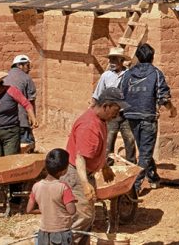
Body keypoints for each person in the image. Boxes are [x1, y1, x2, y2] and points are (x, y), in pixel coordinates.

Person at [63, 87, 122, 245]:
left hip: (84, 173)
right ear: (106, 106)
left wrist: (104, 167)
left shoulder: (100, 119)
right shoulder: (89, 126)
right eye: (116, 110)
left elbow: (97, 150)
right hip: (77, 174)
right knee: (81, 217)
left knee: (87, 217)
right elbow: (80, 158)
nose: (117, 114)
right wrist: (84, 183)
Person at [121, 43, 176, 192]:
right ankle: (135, 187)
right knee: (145, 153)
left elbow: (121, 94)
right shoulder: (156, 74)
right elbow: (163, 97)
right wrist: (172, 109)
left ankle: (153, 177)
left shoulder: (128, 74)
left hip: (131, 117)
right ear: (152, 57)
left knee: (145, 149)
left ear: (137, 57)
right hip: (148, 117)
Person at [93, 47, 136, 163]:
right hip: (110, 116)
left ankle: (131, 165)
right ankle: (107, 165)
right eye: (110, 60)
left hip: (126, 114)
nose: (111, 63)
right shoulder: (105, 76)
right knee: (108, 141)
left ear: (121, 61)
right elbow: (97, 95)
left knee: (130, 139)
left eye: (114, 60)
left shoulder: (129, 75)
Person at [27, 148, 76, 245]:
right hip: (61, 233)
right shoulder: (63, 187)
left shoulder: (36, 186)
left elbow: (29, 210)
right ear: (62, 171)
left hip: (44, 233)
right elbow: (72, 211)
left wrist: (45, 210)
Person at [4, 54, 37, 148]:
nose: (29, 69)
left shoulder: (5, 77)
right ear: (19, 65)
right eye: (27, 66)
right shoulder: (26, 78)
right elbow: (31, 100)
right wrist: (32, 118)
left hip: (6, 121)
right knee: (26, 146)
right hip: (21, 120)